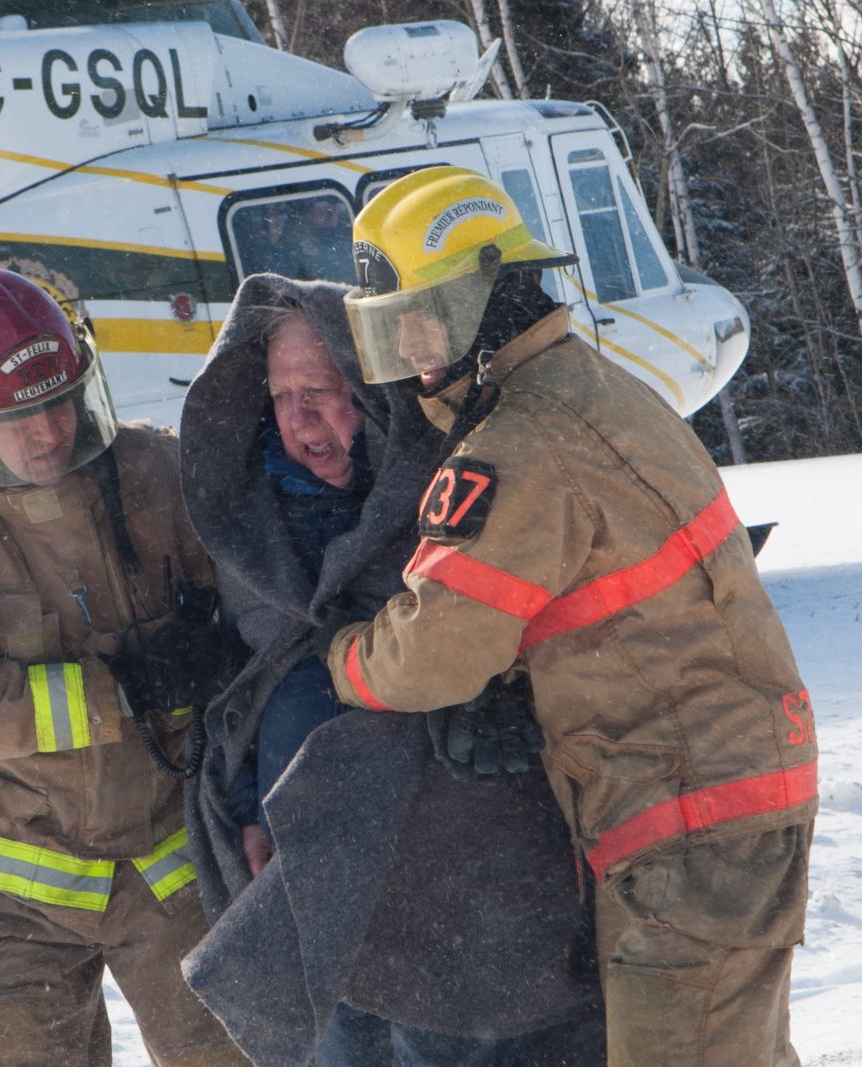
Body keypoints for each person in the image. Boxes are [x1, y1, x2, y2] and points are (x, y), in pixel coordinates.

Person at [326, 167, 819, 1066]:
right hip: (721, 790)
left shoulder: (515, 446)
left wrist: (340, 658)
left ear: (489, 297)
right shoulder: (594, 385)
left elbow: (431, 655)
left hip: (686, 813)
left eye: (426, 322)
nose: (416, 355)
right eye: (397, 331)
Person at [176, 272, 604, 1067]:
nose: (298, 418)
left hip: (460, 880)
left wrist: (500, 695)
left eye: (322, 390)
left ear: (375, 393)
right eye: (280, 395)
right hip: (310, 881)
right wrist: (250, 806)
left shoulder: (456, 492)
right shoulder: (250, 526)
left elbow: (556, 632)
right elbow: (255, 681)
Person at [0, 266, 248, 1067]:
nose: (50, 432)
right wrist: (126, 692)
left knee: (245, 1049)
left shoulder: (157, 473)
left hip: (169, 859)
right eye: (19, 417)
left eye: (62, 401)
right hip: (12, 881)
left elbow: (256, 614)